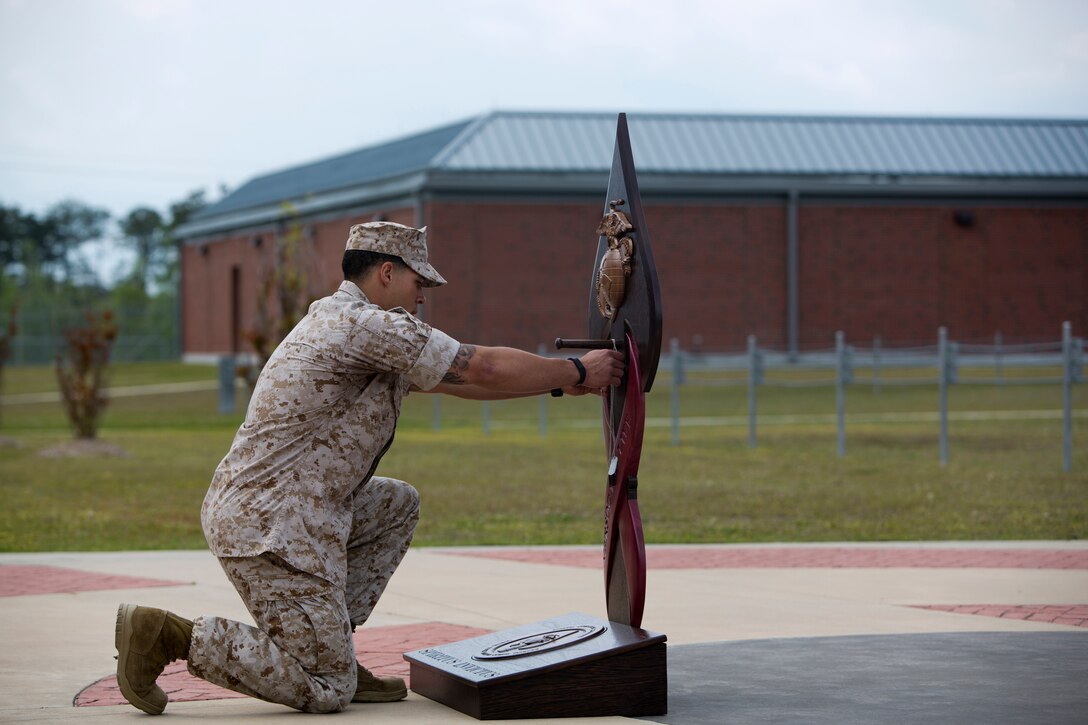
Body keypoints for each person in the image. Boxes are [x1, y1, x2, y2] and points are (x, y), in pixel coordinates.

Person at [114, 221, 624, 715]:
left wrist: (558, 382)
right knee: (325, 689)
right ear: (386, 273)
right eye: (417, 281)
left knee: (396, 503)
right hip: (273, 523)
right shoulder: (366, 326)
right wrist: (579, 368)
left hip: (293, 509)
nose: (423, 294)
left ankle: (330, 643)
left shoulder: (351, 326)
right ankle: (170, 636)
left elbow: (460, 382)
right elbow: (480, 365)